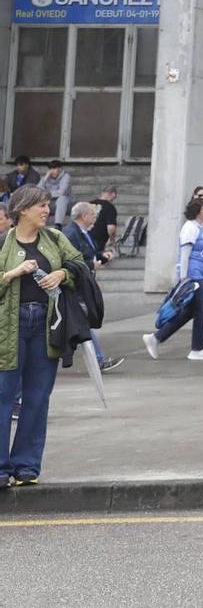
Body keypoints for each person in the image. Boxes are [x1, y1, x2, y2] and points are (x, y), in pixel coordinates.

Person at [0, 187, 80, 486]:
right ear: (22, 209)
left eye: (48, 205)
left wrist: (62, 274)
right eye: (41, 206)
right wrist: (12, 273)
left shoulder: (55, 239)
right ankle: (1, 468)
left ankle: (26, 466)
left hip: (47, 325)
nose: (47, 210)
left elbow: (79, 265)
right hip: (9, 326)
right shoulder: (3, 243)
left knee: (37, 396)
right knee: (3, 396)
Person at [146, 195, 203, 360]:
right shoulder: (190, 228)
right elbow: (185, 255)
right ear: (197, 212)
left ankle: (156, 338)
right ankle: (197, 349)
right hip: (193, 276)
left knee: (190, 311)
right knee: (202, 310)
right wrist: (184, 278)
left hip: (201, 274)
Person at [60, 202, 122, 373]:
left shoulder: (83, 232)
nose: (95, 219)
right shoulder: (70, 234)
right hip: (76, 286)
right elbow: (69, 260)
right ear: (84, 215)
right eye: (93, 215)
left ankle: (98, 359)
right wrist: (91, 265)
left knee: (81, 323)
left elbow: (89, 253)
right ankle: (99, 360)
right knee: (82, 323)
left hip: (84, 284)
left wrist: (102, 256)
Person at [87, 187, 119, 254]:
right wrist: (112, 240)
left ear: (102, 193)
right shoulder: (110, 207)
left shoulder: (88, 204)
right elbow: (111, 227)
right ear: (113, 194)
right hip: (98, 240)